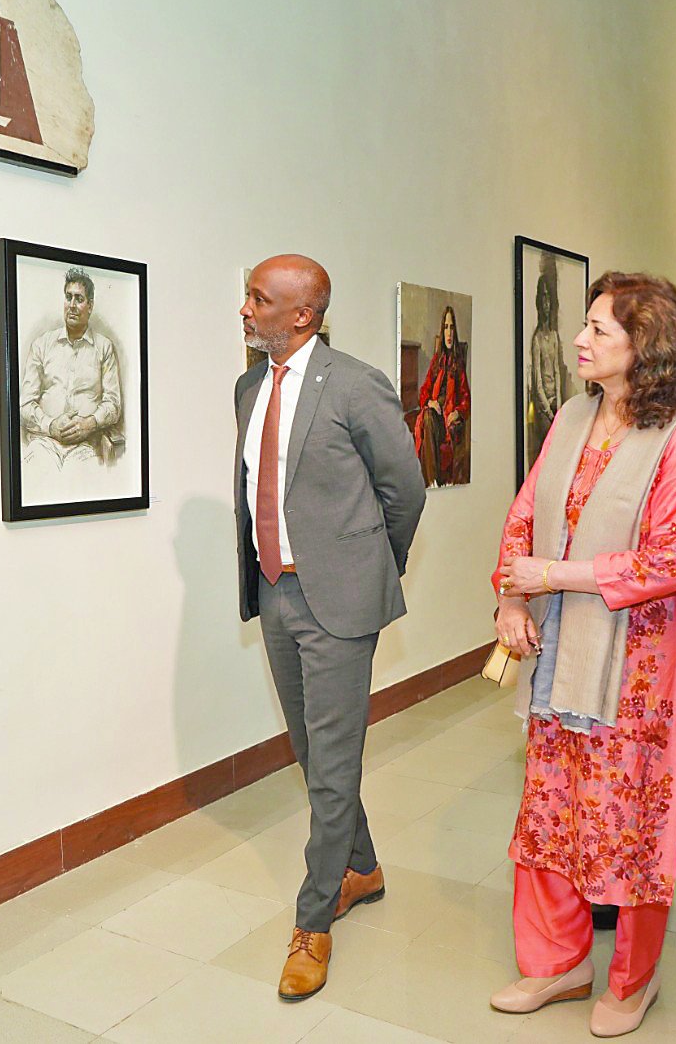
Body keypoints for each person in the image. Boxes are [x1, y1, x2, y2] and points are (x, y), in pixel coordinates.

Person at [488, 272, 676, 1038]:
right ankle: (558, 963)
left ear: (644, 346)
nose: (581, 340)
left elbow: (672, 558)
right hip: (564, 651)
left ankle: (633, 980)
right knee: (552, 807)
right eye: (585, 325)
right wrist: (511, 597)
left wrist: (553, 577)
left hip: (639, 665)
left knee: (628, 819)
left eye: (599, 329)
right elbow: (525, 513)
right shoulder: (568, 416)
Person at [234, 254, 425, 1002]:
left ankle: (313, 920)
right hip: (276, 591)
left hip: (341, 601)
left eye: (258, 299)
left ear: (301, 315)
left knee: (335, 757)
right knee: (313, 750)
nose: (244, 310)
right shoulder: (250, 386)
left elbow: (404, 488)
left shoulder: (354, 383)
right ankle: (364, 868)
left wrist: (377, 564)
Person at [19, 267, 123, 493]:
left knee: (78, 488)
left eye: (79, 299)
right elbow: (26, 404)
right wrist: (51, 425)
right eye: (68, 297)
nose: (72, 305)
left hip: (86, 446)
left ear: (90, 305)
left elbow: (113, 404)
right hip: (44, 443)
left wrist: (90, 423)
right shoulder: (42, 345)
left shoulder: (103, 347)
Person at [413, 305, 471, 486]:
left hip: (447, 418)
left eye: (451, 327)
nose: (449, 333)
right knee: (428, 417)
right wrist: (430, 402)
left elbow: (466, 399)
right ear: (442, 330)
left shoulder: (458, 363)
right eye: (446, 327)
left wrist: (458, 412)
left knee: (429, 421)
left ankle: (431, 481)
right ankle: (432, 480)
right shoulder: (436, 361)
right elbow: (423, 391)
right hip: (434, 414)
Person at [528, 254, 573, 463]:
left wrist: (560, 406)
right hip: (544, 406)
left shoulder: (554, 336)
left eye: (548, 297)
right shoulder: (537, 339)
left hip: (556, 403)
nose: (546, 302)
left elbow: (556, 371)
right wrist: (549, 410)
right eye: (542, 297)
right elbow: (537, 381)